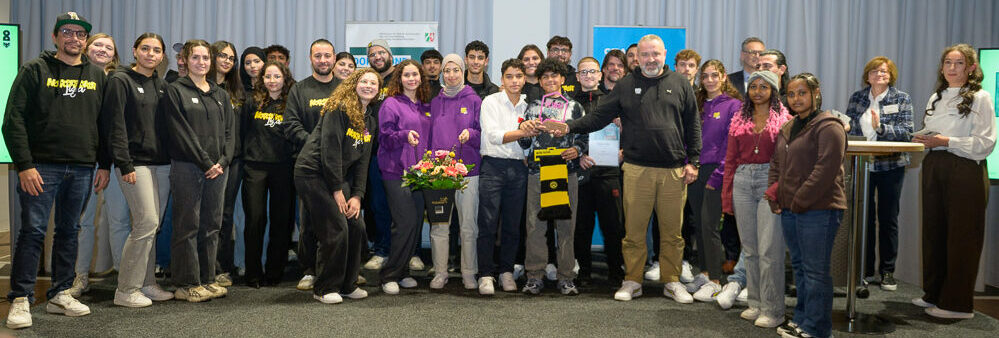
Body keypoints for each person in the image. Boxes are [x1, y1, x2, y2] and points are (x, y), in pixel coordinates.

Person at [551, 34, 700, 303]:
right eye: (644, 55)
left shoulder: (680, 83)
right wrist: (569, 126)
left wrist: (695, 161)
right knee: (632, 231)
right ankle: (632, 280)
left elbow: (693, 124)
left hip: (673, 171)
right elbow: (598, 116)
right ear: (637, 58)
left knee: (672, 233)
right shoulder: (626, 85)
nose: (650, 59)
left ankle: (672, 281)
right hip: (636, 169)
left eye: (655, 54)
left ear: (665, 54)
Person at [3, 12, 108, 329]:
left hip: (82, 167)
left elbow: (104, 124)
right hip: (40, 168)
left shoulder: (97, 75)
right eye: (67, 32)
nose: (74, 38)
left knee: (68, 232)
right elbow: (13, 121)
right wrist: (25, 166)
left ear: (85, 40)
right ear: (55, 37)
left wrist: (103, 164)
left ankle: (60, 293)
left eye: (80, 34)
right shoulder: (35, 69)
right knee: (33, 232)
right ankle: (20, 298)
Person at [912, 43, 996, 320]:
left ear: (971, 67)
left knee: (962, 236)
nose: (951, 68)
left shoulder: (981, 98)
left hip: (965, 170)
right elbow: (932, 130)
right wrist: (922, 138)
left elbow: (985, 143)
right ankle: (934, 293)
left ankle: (958, 304)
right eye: (948, 62)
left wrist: (945, 141)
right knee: (934, 232)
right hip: (935, 165)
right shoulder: (936, 96)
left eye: (959, 63)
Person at [294, 68, 380, 304]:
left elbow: (362, 162)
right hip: (313, 173)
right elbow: (330, 152)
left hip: (336, 177)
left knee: (356, 225)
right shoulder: (338, 108)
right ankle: (324, 287)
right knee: (336, 228)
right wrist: (337, 190)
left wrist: (357, 196)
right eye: (364, 81)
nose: (369, 85)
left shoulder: (370, 121)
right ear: (353, 83)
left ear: (378, 90)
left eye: (374, 83)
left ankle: (347, 284)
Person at [103, 32, 176, 308]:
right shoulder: (120, 80)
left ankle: (147, 283)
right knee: (146, 222)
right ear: (134, 51)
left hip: (161, 163)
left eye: (156, 50)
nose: (150, 54)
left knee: (152, 225)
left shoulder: (161, 85)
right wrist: (124, 162)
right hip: (136, 163)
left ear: (162, 56)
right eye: (145, 49)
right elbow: (116, 125)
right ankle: (126, 289)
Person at [770, 73, 846, 338]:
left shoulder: (829, 126)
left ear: (816, 93)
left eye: (802, 93)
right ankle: (802, 319)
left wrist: (799, 199)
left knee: (816, 271)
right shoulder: (789, 127)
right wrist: (775, 195)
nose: (796, 99)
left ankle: (817, 329)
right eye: (791, 94)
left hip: (820, 209)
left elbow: (826, 169)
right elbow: (777, 165)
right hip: (791, 209)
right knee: (801, 268)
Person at [163, 39, 236, 303]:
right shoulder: (175, 90)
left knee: (211, 225)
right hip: (188, 167)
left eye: (206, 58)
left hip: (219, 169)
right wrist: (207, 163)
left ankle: (207, 278)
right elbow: (181, 132)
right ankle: (185, 283)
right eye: (196, 58)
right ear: (185, 60)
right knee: (187, 225)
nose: (201, 63)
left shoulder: (220, 94)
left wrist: (224, 161)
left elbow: (230, 132)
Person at [719, 70, 790, 328]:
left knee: (769, 249)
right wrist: (727, 196)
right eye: (753, 87)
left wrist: (779, 188)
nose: (758, 91)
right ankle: (756, 303)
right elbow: (730, 160)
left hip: (769, 179)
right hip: (742, 179)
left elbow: (788, 161)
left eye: (764, 87)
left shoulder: (785, 120)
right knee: (749, 249)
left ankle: (774, 309)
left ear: (773, 90)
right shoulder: (739, 117)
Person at [517, 58, 586, 296]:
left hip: (567, 172)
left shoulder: (575, 107)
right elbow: (524, 142)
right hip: (538, 172)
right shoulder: (532, 106)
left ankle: (566, 277)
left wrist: (576, 150)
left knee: (566, 225)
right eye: (545, 77)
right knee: (535, 225)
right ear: (541, 80)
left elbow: (583, 137)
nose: (550, 80)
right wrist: (526, 131)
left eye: (554, 76)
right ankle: (534, 276)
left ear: (562, 80)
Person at [844, 56, 913, 292]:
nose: (879, 74)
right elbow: (849, 127)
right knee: (863, 218)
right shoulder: (858, 97)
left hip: (890, 167)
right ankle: (864, 270)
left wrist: (881, 128)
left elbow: (907, 133)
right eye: (874, 71)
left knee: (887, 219)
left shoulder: (901, 98)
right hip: (862, 165)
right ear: (867, 75)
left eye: (884, 71)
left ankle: (887, 272)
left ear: (891, 75)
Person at [69, 31, 127, 299]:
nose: (103, 50)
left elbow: (114, 127)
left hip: (114, 162)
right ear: (86, 48)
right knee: (84, 222)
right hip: (84, 162)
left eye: (108, 47)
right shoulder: (73, 77)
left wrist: (109, 161)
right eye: (98, 45)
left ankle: (124, 279)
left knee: (119, 221)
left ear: (114, 55)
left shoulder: (118, 81)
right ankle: (80, 277)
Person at [286, 39, 341, 291]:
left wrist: (331, 153)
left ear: (333, 58)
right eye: (317, 56)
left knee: (339, 220)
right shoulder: (299, 89)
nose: (323, 60)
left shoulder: (344, 88)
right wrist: (317, 147)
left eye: (327, 55)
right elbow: (291, 124)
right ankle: (309, 270)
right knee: (308, 220)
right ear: (310, 59)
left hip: (339, 167)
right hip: (309, 167)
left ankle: (339, 267)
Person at [476, 59, 536, 294]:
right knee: (488, 223)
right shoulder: (490, 101)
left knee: (512, 225)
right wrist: (523, 132)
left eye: (518, 76)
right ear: (502, 79)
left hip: (519, 169)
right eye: (509, 76)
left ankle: (506, 271)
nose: (514, 81)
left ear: (524, 79)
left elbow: (529, 141)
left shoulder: (528, 106)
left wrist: (528, 145)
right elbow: (493, 135)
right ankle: (486, 274)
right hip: (492, 166)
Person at [685, 60, 742, 303]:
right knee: (698, 224)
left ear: (723, 77)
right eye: (705, 76)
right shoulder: (697, 104)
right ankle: (706, 272)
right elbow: (687, 137)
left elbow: (731, 144)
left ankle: (717, 280)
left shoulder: (733, 105)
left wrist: (719, 175)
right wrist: (688, 164)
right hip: (694, 170)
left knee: (710, 225)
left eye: (714, 75)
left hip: (716, 172)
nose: (709, 80)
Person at [376, 60, 433, 294]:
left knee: (416, 223)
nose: (411, 78)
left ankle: (402, 272)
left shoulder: (423, 105)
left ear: (421, 78)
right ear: (399, 78)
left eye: (415, 74)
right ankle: (389, 274)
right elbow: (385, 137)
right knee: (405, 222)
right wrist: (403, 135)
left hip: (419, 173)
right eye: (407, 75)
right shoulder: (390, 103)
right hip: (395, 171)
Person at [240, 61, 297, 288]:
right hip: (255, 167)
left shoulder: (291, 103)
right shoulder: (252, 101)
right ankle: (253, 272)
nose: (272, 81)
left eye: (277, 76)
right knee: (254, 220)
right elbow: (242, 132)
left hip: (284, 167)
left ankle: (275, 271)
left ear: (285, 78)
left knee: (281, 221)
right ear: (262, 79)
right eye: (268, 77)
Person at [427, 54, 482, 288]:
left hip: (468, 171)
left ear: (463, 72)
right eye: (447, 70)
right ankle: (440, 272)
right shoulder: (435, 101)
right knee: (439, 225)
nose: (451, 75)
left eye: (455, 70)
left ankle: (469, 273)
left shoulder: (474, 99)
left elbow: (483, 133)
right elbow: (429, 135)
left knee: (468, 225)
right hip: (440, 173)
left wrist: (471, 134)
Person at [572, 56, 624, 287]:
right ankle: (583, 272)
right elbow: (566, 135)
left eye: (592, 71)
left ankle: (616, 271)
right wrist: (579, 155)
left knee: (612, 225)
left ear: (600, 75)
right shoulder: (571, 104)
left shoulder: (614, 101)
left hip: (609, 172)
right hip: (580, 172)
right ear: (577, 76)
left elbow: (634, 131)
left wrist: (624, 148)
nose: (588, 76)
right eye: (583, 72)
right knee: (581, 226)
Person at [361, 38, 398, 272]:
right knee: (378, 205)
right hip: (373, 154)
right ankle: (382, 249)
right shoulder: (368, 82)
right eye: (372, 54)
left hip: (400, 152)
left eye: (381, 52)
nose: (377, 57)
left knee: (405, 206)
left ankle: (410, 251)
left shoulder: (401, 77)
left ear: (390, 56)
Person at [211, 40, 245, 287]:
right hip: (205, 161)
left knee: (224, 215)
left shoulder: (237, 91)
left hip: (232, 161)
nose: (226, 61)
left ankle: (221, 267)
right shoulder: (201, 87)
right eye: (221, 55)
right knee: (204, 216)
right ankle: (204, 267)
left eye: (231, 58)